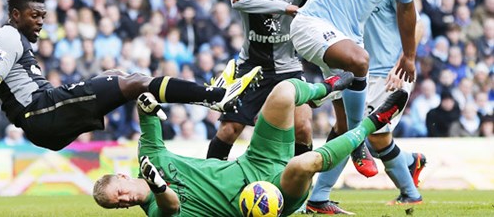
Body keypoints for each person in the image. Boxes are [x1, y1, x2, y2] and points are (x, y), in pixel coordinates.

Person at [0, 0, 262, 202]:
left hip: (43, 122)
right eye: (34, 16)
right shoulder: (7, 36)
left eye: (43, 16)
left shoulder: (16, 46)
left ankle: (157, 101)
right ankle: (214, 95)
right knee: (135, 80)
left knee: (116, 77)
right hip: (43, 111)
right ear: (14, 15)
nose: (40, 22)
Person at [229, 0, 419, 177]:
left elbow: (406, 10)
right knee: (360, 61)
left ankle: (316, 199)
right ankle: (358, 141)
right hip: (311, 23)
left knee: (340, 125)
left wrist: (409, 55)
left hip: (347, 38)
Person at [93, 72, 411, 216]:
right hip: (270, 195)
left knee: (284, 92)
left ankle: (323, 89)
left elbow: (145, 107)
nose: (123, 202)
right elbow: (171, 205)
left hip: (255, 161)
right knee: (305, 163)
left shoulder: (148, 155)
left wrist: (147, 102)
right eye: (117, 205)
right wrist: (159, 185)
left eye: (117, 194)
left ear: (122, 177)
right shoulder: (155, 209)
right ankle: (372, 123)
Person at [207, 0, 320, 161]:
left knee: (303, 128)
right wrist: (285, 7)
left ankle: (302, 193)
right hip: (252, 69)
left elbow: (322, 0)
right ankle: (207, 187)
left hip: (289, 68)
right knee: (229, 130)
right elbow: (238, 2)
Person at [306, 0, 426, 214]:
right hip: (359, 71)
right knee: (363, 135)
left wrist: (404, 60)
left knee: (360, 133)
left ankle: (319, 196)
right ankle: (409, 165)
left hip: (389, 73)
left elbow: (418, 25)